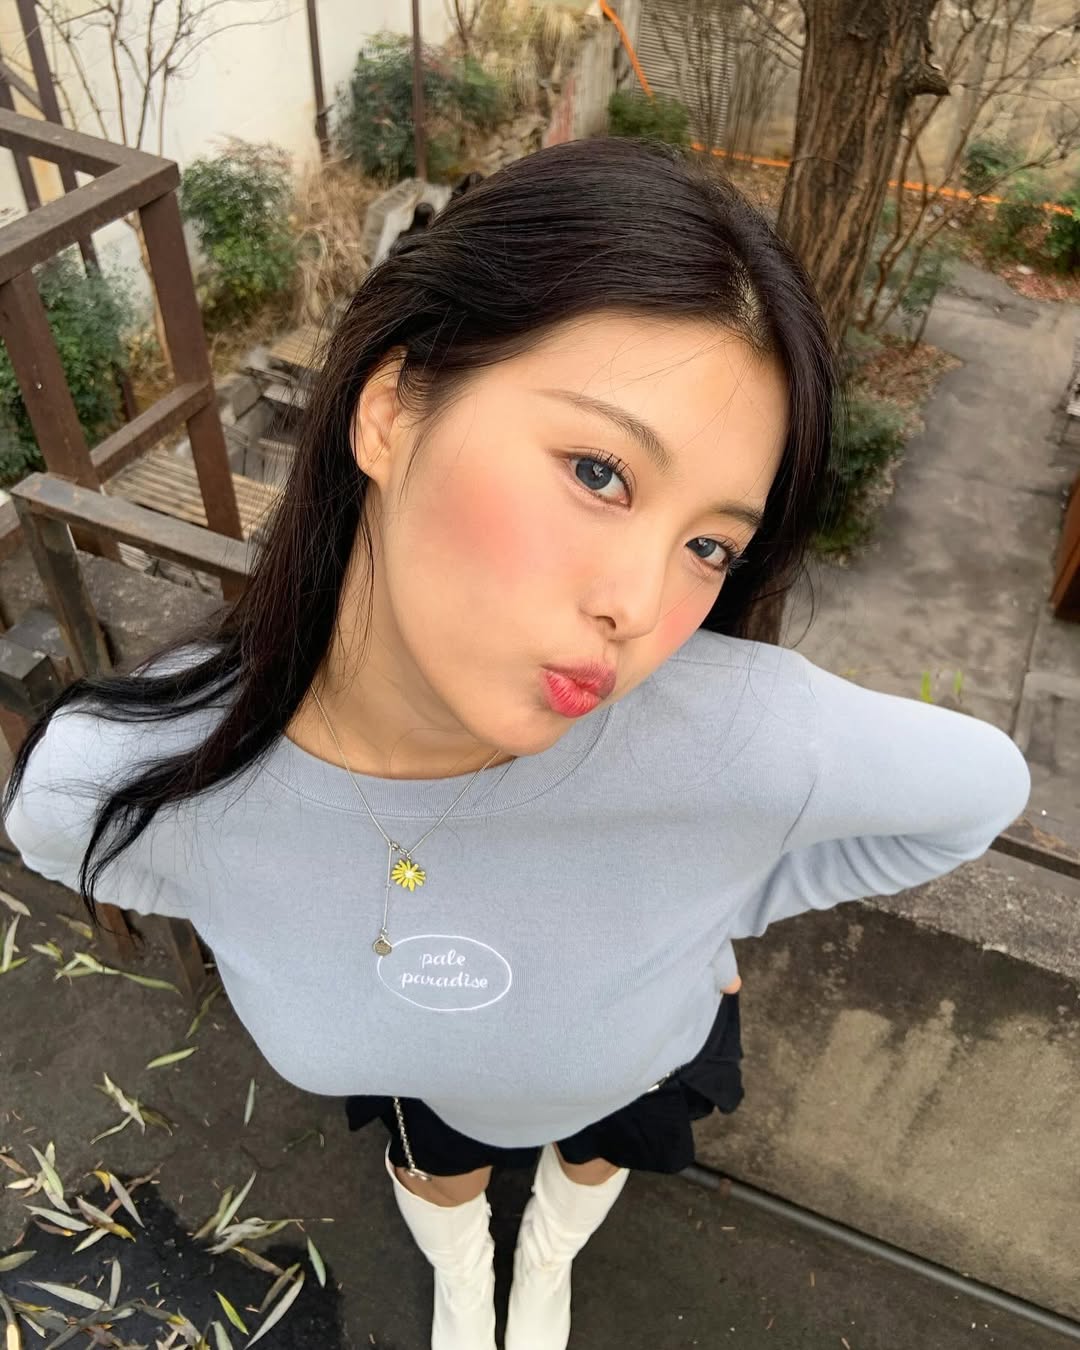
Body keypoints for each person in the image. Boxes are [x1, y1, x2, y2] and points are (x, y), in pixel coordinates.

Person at [2, 136, 1030, 1350]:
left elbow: (980, 795)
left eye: (710, 546)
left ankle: (544, 1258)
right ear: (391, 410)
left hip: (634, 1075)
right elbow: (72, 837)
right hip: (427, 1101)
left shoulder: (741, 730)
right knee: (437, 1167)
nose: (640, 606)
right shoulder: (133, 784)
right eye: (600, 470)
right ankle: (463, 1276)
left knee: (596, 1156)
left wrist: (725, 896)